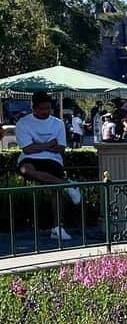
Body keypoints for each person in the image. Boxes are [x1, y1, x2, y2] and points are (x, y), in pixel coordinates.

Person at [15, 91, 81, 242]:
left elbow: (60, 148)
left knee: (55, 189)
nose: (45, 112)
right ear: (33, 107)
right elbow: (27, 149)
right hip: (29, 159)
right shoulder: (23, 123)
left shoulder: (58, 123)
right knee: (27, 170)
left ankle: (57, 228)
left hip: (53, 160)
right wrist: (49, 144)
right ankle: (67, 185)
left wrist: (39, 146)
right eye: (42, 108)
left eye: (48, 108)